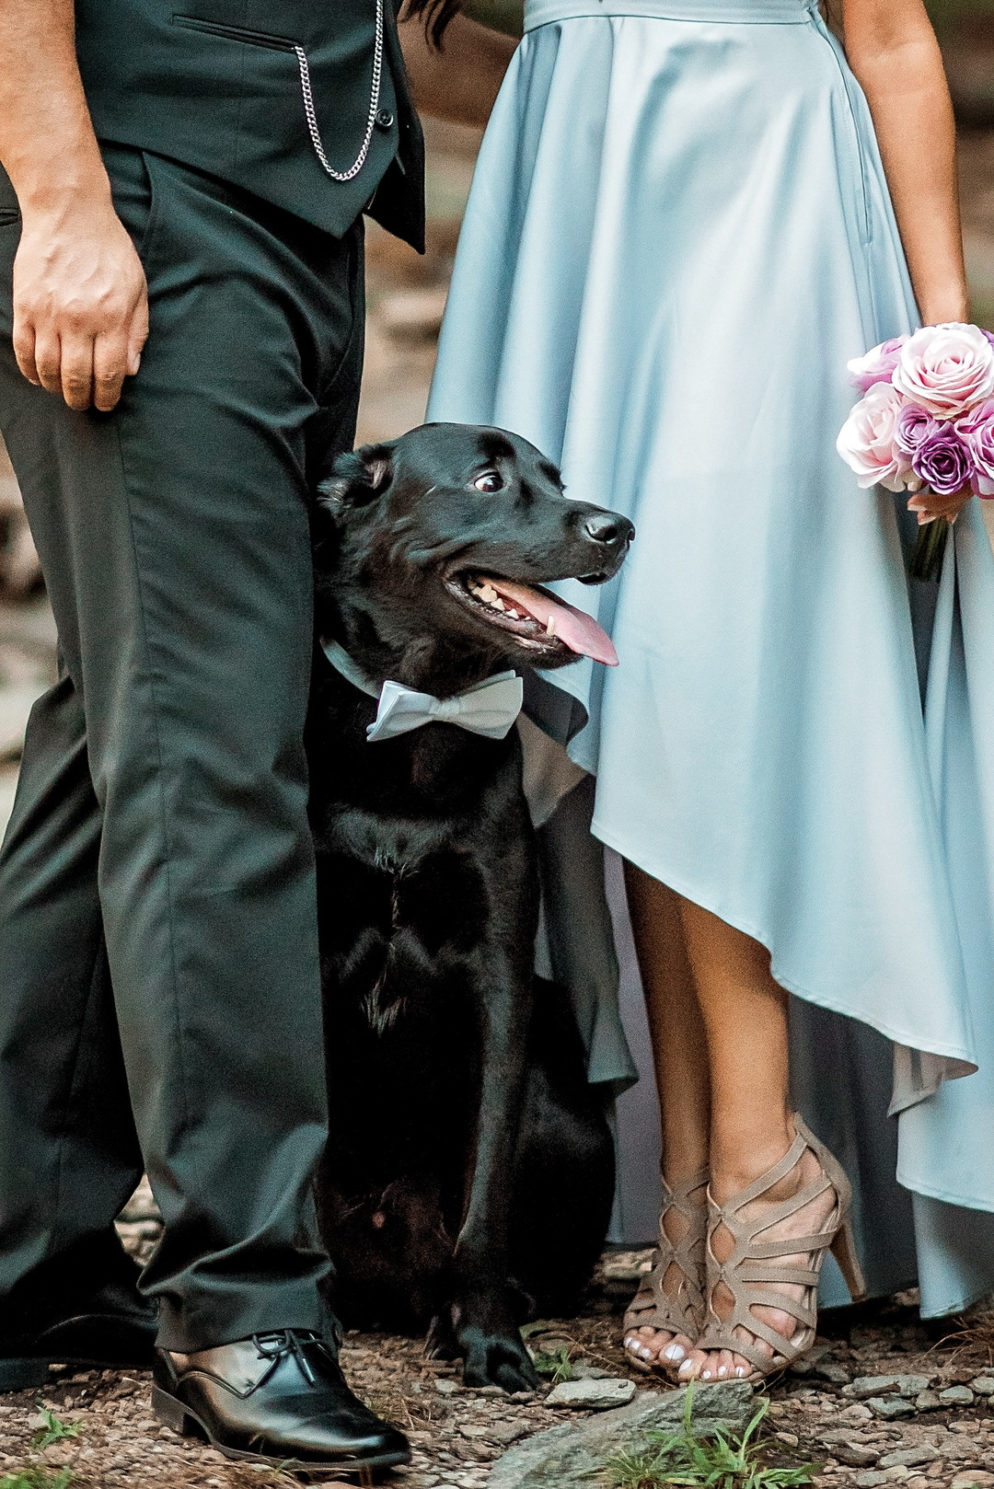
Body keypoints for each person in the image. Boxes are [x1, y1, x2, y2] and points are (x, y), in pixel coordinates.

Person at [425, 0, 994, 1383]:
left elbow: (890, 33)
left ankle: (762, 1156)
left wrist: (946, 347)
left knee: (706, 658)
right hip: (577, 174)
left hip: (759, 184)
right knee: (617, 676)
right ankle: (695, 1172)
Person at [0, 0, 508, 1468]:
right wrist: (63, 200)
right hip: (141, 198)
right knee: (214, 754)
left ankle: (27, 1250)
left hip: (291, 205)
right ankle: (241, 1307)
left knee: (134, 719)